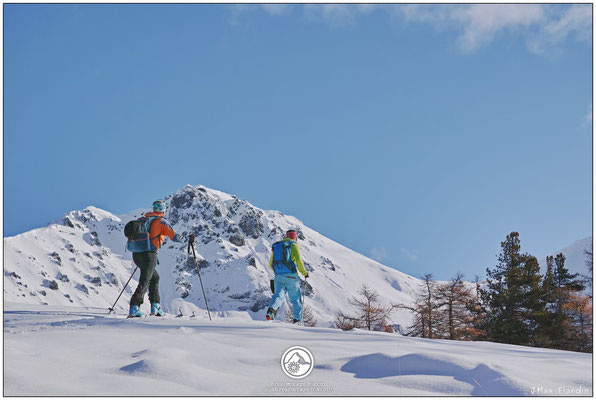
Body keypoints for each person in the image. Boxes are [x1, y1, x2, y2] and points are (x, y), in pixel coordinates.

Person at [128, 199, 175, 317]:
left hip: (136, 255)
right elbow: (174, 236)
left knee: (154, 277)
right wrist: (189, 238)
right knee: (145, 280)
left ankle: (156, 306)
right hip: (149, 255)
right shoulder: (161, 221)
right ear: (164, 210)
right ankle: (134, 307)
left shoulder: (143, 220)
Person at [266, 229, 309, 323]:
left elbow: (270, 264)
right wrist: (304, 273)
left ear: (286, 236)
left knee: (278, 296)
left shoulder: (277, 246)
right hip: (291, 276)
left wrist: (278, 272)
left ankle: (271, 311)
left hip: (278, 276)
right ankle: (297, 320)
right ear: (295, 237)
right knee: (295, 299)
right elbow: (298, 261)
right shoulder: (293, 245)